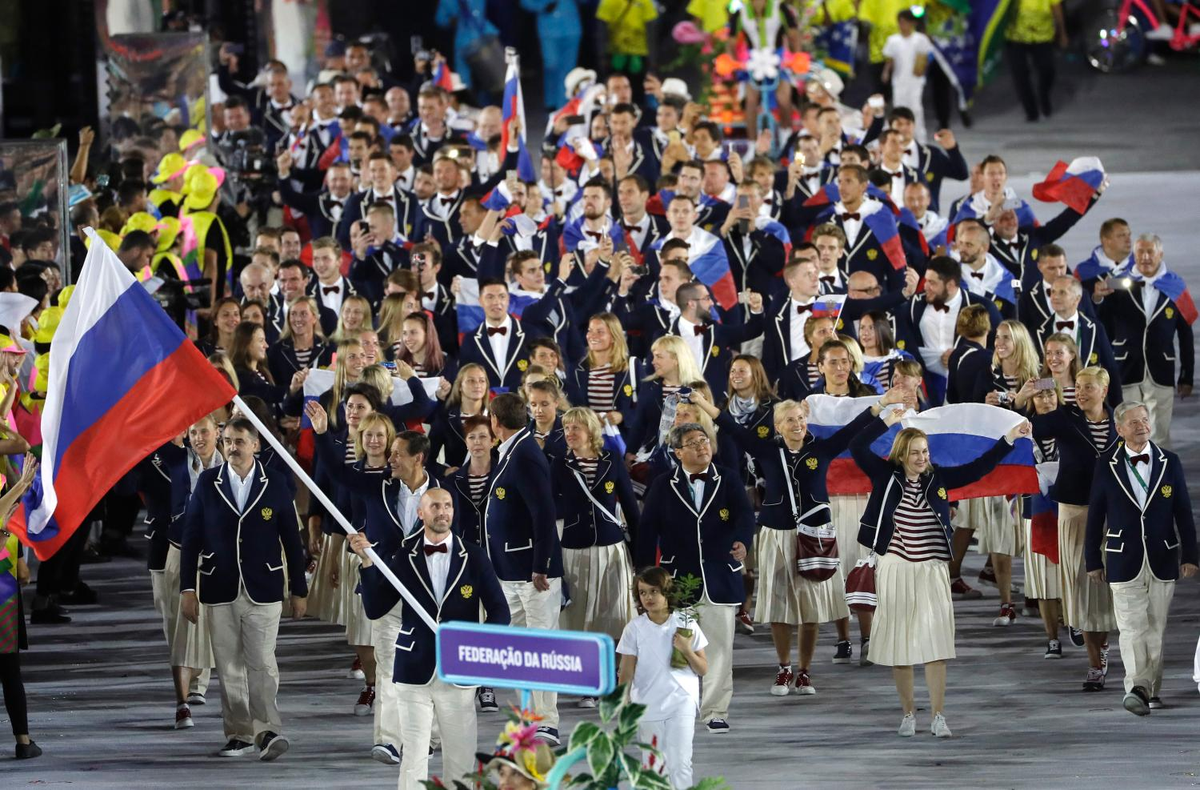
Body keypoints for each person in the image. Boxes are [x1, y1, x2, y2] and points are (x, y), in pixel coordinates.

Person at [693, 388, 901, 694]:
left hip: (815, 538)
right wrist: (701, 403)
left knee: (811, 609)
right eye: (789, 420)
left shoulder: (823, 449)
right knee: (780, 607)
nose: (797, 424)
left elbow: (855, 429)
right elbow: (731, 426)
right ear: (778, 426)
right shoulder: (766, 450)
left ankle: (804, 672)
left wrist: (883, 407)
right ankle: (783, 667)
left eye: (801, 418)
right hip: (776, 536)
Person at [851, 407, 1030, 737]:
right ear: (901, 454)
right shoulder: (884, 475)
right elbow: (856, 445)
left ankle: (937, 716)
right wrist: (884, 418)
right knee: (900, 644)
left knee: (936, 645)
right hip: (895, 567)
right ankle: (908, 714)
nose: (922, 458)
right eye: (915, 452)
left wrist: (1008, 438)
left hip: (933, 569)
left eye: (925, 452)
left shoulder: (938, 478)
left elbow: (978, 469)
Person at [352, 488, 511, 790]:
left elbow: (500, 612)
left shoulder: (474, 556)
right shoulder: (403, 556)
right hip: (413, 668)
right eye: (435, 506)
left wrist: (476, 645)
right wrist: (367, 563)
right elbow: (375, 608)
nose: (443, 512)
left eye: (448, 506)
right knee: (414, 753)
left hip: (460, 672)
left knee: (461, 758)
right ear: (420, 513)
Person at [179, 418, 308, 760]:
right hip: (218, 585)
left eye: (240, 441)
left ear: (256, 445)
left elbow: (292, 541)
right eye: (228, 441)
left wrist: (299, 589)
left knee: (262, 663)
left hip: (264, 586)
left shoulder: (276, 483)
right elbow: (191, 538)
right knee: (228, 664)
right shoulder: (208, 483)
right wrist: (187, 589)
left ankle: (267, 730)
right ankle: (239, 733)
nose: (233, 447)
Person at [637, 422, 755, 733]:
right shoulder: (663, 484)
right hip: (677, 581)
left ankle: (715, 710)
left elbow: (744, 515)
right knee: (677, 649)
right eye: (693, 443)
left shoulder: (728, 477)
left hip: (720, 576)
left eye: (704, 440)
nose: (702, 446)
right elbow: (647, 531)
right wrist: (645, 579)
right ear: (677, 452)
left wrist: (743, 541)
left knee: (718, 649)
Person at [1085, 401, 1197, 715]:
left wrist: (1191, 554)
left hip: (1163, 556)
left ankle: (1151, 689)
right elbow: (1096, 514)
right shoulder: (1106, 464)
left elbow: (1183, 512)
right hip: (1123, 558)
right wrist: (1092, 558)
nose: (1142, 426)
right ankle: (1136, 687)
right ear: (1119, 430)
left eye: (1145, 420)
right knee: (1133, 628)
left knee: (1156, 629)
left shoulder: (1169, 461)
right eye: (1134, 422)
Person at [1029, 367, 1117, 690]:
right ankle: (1095, 663)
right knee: (1083, 586)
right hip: (1075, 513)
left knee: (1105, 588)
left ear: (1104, 390)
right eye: (1077, 387)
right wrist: (1025, 395)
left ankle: (1102, 645)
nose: (1080, 393)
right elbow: (1025, 428)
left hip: (1112, 515)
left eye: (1088, 387)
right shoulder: (1064, 418)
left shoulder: (1121, 420)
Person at [484, 393, 564, 743]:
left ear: (495, 422)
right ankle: (529, 717)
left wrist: (541, 564)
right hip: (510, 569)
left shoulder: (525, 455)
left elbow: (544, 513)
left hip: (533, 572)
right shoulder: (514, 451)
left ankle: (546, 720)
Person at [554, 406, 639, 684]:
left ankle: (613, 671)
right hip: (574, 548)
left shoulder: (612, 460)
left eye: (575, 427)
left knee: (614, 613)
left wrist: (642, 554)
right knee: (578, 616)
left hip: (611, 547)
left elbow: (629, 504)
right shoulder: (559, 463)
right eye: (566, 428)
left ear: (591, 430)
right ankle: (586, 676)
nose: (570, 433)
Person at [1093, 233, 1195, 446]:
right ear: (1134, 254)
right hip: (1126, 368)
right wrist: (1099, 297)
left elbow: (1185, 334)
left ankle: (1160, 476)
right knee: (1127, 429)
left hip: (1161, 370)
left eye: (1151, 252)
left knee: (1160, 433)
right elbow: (1101, 324)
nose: (1146, 257)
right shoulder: (1118, 281)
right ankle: (1130, 476)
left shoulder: (1175, 286)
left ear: (1160, 254)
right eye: (1141, 251)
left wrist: (1186, 376)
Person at [617, 566, 709, 789]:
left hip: (681, 700)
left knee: (680, 763)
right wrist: (623, 703)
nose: (648, 597)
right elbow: (627, 670)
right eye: (643, 592)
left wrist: (686, 649)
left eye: (654, 591)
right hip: (647, 704)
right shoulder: (634, 628)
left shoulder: (686, 623)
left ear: (667, 592)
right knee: (654, 765)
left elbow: (703, 669)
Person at [1, 456, 43, 759]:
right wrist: (21, 485)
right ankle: (23, 741)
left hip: (4, 588)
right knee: (9, 669)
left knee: (9, 668)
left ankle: (24, 740)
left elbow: (7, 521)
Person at [1005, 0, 1068, 122]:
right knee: (1020, 74)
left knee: (1047, 69)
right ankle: (1031, 111)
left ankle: (1043, 97)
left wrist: (1062, 32)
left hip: (1042, 34)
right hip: (1015, 35)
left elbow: (1056, 7)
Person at [882, 10, 932, 142]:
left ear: (912, 23)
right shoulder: (893, 40)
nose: (902, 25)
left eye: (905, 22)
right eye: (900, 22)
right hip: (899, 80)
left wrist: (922, 68)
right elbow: (890, 60)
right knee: (899, 109)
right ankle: (896, 138)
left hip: (915, 81)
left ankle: (921, 140)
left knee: (915, 108)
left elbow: (926, 57)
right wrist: (886, 72)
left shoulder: (920, 39)